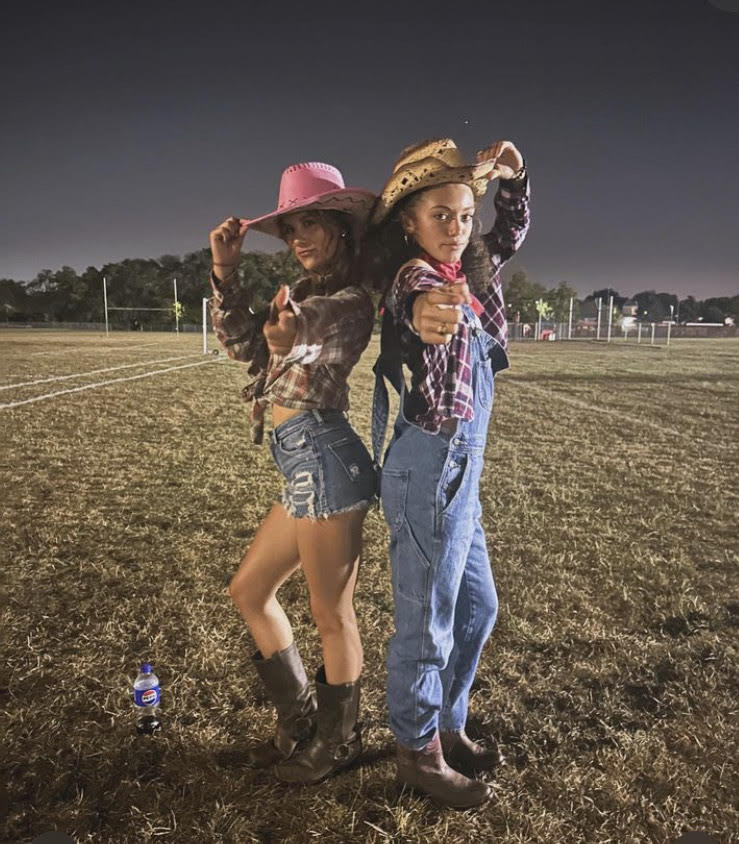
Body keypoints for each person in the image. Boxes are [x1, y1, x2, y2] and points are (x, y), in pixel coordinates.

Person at [369, 138, 530, 807]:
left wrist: (514, 178)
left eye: (464, 215)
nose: (457, 228)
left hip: (459, 471)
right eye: (441, 214)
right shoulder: (420, 279)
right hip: (430, 466)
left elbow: (509, 230)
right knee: (426, 624)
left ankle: (447, 722)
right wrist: (425, 315)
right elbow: (418, 301)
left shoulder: (473, 268)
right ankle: (417, 753)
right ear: (409, 220)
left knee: (477, 608)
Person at [208, 161, 377, 784]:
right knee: (249, 591)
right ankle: (303, 717)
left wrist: (293, 331)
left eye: (312, 224)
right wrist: (227, 271)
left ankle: (340, 741)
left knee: (332, 613)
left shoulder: (352, 299)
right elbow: (245, 350)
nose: (300, 238)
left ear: (340, 227)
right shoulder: (298, 293)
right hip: (302, 464)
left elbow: (317, 332)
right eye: (291, 230)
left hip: (326, 460)